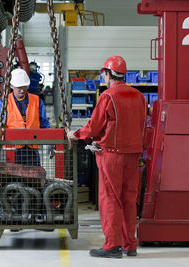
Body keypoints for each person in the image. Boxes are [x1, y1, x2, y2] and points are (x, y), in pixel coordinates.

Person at [67, 56, 147, 258]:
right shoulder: (139, 96)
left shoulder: (108, 96)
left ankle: (112, 245)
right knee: (130, 199)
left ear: (108, 74)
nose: (103, 77)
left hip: (112, 155)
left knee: (110, 199)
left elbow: (93, 126)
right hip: (134, 154)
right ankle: (130, 245)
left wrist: (75, 134)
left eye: (103, 73)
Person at [0, 68, 50, 166]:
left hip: (32, 148)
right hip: (12, 148)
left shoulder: (36, 100)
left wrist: (49, 141)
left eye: (24, 87)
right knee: (13, 178)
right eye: (19, 87)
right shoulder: (4, 102)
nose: (22, 90)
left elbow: (44, 122)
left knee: (33, 177)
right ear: (11, 86)